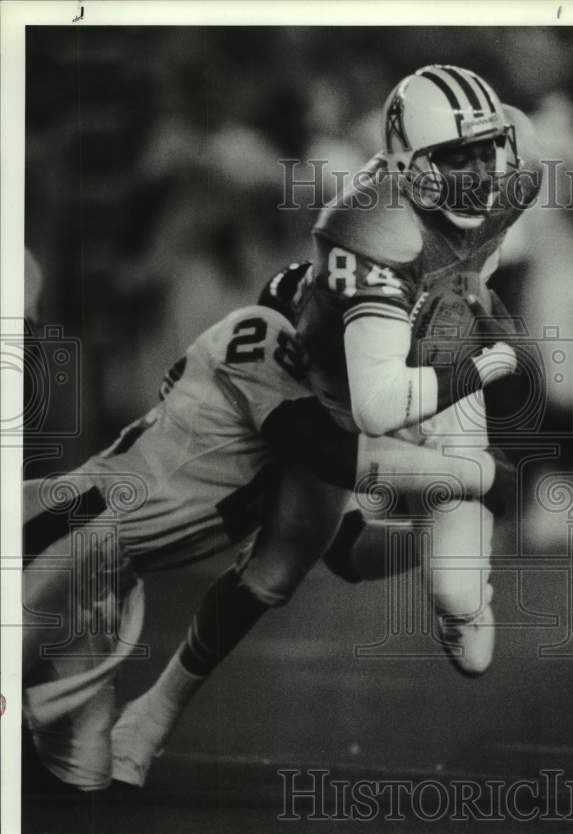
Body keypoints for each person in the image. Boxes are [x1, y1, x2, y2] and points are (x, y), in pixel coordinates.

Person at [108, 64, 544, 787]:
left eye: (483, 152)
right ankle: (152, 715)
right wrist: (490, 367)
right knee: (278, 566)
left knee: (461, 612)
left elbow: (485, 245)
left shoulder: (521, 157)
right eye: (451, 159)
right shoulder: (368, 222)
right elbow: (377, 405)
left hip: (441, 343)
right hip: (345, 384)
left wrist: (475, 300)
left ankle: (448, 576)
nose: (476, 174)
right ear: (406, 165)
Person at [23, 297, 509, 792]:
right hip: (62, 532)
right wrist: (476, 475)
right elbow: (328, 452)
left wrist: (434, 544)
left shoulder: (324, 411)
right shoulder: (260, 339)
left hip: (105, 585)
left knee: (78, 780)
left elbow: (346, 549)